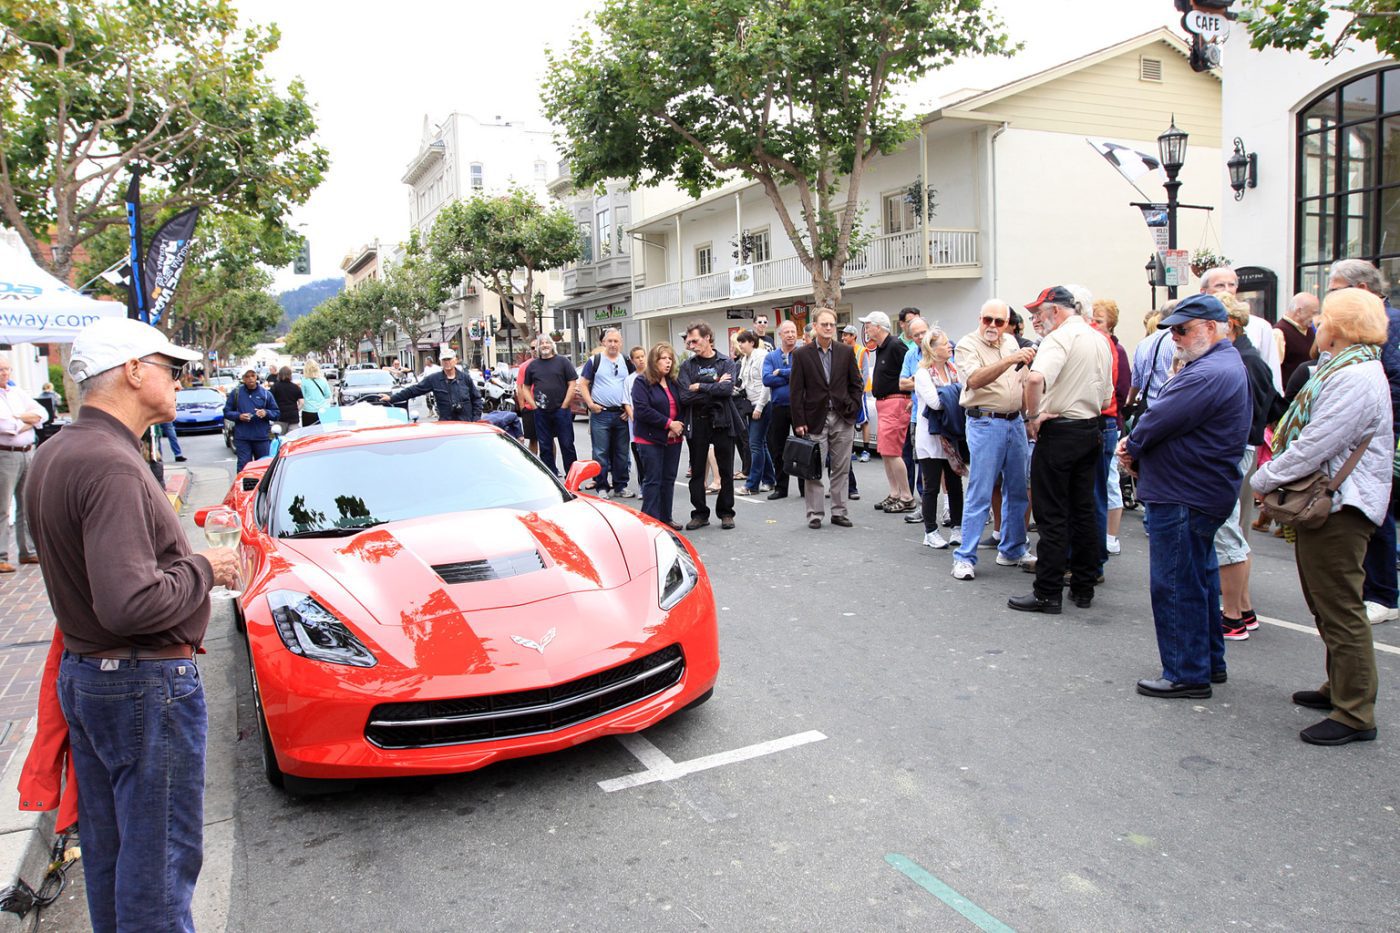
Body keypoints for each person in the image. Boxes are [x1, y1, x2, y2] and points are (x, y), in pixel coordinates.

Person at [24, 316, 239, 931]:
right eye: (170, 368)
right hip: (141, 684)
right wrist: (203, 566)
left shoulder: (58, 451)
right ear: (133, 372)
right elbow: (131, 603)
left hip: (94, 676)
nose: (180, 379)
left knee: (116, 856)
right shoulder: (113, 466)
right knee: (159, 871)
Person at [1252, 287, 1392, 745]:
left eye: (1326, 318)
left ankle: (1355, 713)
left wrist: (1264, 477)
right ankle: (1341, 689)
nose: (1318, 324)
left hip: (1341, 504)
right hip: (1336, 499)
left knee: (1339, 607)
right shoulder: (1347, 367)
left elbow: (1318, 442)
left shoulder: (1354, 375)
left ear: (1341, 327)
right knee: (1326, 603)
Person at [1117, 294, 1252, 699]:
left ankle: (1185, 672)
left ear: (1211, 328)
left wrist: (1131, 446)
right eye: (1173, 330)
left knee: (1176, 582)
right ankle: (1206, 662)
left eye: (1183, 329)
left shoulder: (1207, 372)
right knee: (1199, 577)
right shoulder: (1218, 365)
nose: (1175, 338)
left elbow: (1157, 418)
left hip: (1184, 490)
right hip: (1196, 488)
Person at [1010, 286, 1111, 613]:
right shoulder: (1098, 338)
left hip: (1062, 430)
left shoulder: (1060, 337)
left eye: (1040, 313)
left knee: (1052, 515)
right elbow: (1108, 397)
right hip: (1090, 428)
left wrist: (1033, 416)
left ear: (1057, 311)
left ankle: (1047, 592)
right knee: (1082, 511)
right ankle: (1083, 587)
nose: (1037, 319)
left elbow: (1036, 378)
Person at [1326, 259, 1400, 626]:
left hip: (1375, 438)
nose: (1331, 299)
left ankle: (1383, 593)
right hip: (1362, 434)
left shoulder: (1390, 324)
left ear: (1363, 290)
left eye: (1337, 290)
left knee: (1375, 510)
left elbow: (1390, 384)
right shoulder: (1360, 327)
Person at [1211, 296, 1285, 641]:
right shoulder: (1245, 357)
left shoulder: (1243, 360)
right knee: (1233, 529)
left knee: (1227, 531)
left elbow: (1262, 408)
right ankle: (1243, 609)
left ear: (1231, 325)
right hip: (1244, 446)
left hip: (1236, 448)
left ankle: (1233, 615)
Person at [950, 301, 1035, 581]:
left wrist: (1030, 417)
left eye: (1000, 322)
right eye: (988, 319)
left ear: (1007, 323)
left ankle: (1012, 548)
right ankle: (964, 557)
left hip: (1014, 422)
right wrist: (1010, 360)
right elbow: (974, 380)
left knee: (1018, 489)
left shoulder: (1010, 341)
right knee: (981, 491)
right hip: (985, 421)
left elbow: (1022, 383)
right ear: (980, 318)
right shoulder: (967, 344)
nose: (993, 326)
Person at [789, 307, 863, 529]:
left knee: (841, 467)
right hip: (814, 418)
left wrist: (853, 405)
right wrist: (799, 421)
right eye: (825, 324)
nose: (829, 328)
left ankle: (840, 512)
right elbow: (796, 391)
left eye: (832, 324)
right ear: (815, 327)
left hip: (842, 416)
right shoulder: (802, 354)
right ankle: (815, 513)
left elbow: (856, 383)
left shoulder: (845, 352)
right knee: (814, 467)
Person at [678, 322, 740, 530]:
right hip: (697, 422)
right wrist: (715, 385)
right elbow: (685, 396)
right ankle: (700, 513)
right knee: (697, 471)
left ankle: (726, 512)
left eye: (695, 340)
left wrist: (701, 386)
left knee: (725, 468)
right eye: (689, 342)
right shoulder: (688, 366)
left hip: (723, 420)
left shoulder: (725, 362)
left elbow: (727, 389)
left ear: (708, 338)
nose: (691, 345)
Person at [914, 326, 964, 548]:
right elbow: (934, 402)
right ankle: (930, 531)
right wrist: (955, 392)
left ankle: (957, 527)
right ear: (933, 350)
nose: (949, 346)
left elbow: (965, 394)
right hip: (930, 436)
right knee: (932, 485)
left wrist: (951, 393)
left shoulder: (954, 370)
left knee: (954, 484)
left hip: (950, 434)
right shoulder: (923, 373)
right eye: (944, 344)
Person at [864, 310, 916, 513]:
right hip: (884, 403)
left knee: (893, 452)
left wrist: (911, 397)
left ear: (879, 326)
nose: (866, 329)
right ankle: (895, 493)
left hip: (895, 402)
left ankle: (906, 496)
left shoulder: (895, 345)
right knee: (886, 452)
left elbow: (912, 370)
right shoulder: (882, 347)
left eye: (868, 325)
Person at [0, 354, 48, 573]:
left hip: (28, 452)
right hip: (5, 455)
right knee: (3, 508)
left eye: (7, 369)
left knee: (27, 503)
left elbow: (43, 414)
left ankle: (27, 551)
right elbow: (6, 426)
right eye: (1, 370)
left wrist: (20, 418)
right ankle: (1, 556)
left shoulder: (16, 392)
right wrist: (26, 420)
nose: (5, 373)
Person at [1202, 266, 1283, 392]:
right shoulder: (1197, 325)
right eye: (1220, 285)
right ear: (1203, 291)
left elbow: (1272, 370)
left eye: (1231, 285)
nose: (1227, 290)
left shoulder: (1260, 326)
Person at [631, 343, 686, 528]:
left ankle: (666, 518)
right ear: (654, 360)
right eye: (664, 358)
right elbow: (642, 410)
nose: (668, 362)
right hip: (649, 438)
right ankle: (650, 521)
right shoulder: (642, 381)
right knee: (653, 480)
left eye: (670, 358)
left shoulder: (674, 382)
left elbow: (681, 406)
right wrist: (668, 424)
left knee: (668, 479)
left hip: (674, 438)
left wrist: (677, 426)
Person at [1093, 299, 1132, 555]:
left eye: (1099, 320)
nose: (1094, 324)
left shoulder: (1116, 350)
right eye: (1092, 319)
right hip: (1096, 421)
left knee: (1108, 479)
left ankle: (1111, 535)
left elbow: (1122, 389)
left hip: (1108, 421)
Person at [578, 328, 635, 499]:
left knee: (622, 453)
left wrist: (628, 408)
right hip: (600, 413)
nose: (612, 344)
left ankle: (620, 486)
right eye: (609, 341)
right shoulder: (594, 361)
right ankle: (601, 487)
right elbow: (583, 384)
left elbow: (635, 385)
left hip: (621, 415)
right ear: (603, 342)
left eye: (616, 341)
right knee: (600, 452)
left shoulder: (626, 361)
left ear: (621, 342)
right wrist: (590, 404)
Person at [521, 338, 578, 476]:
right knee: (545, 446)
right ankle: (550, 476)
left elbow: (572, 383)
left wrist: (565, 404)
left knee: (567, 444)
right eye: (542, 343)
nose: (545, 345)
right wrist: (534, 406)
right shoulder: (533, 366)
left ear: (552, 345)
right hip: (541, 412)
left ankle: (572, 476)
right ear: (538, 348)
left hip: (561, 411)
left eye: (547, 342)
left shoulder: (563, 362)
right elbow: (525, 387)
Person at [384, 348, 482, 425]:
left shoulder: (465, 378)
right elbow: (414, 390)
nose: (447, 362)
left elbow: (477, 399)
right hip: (446, 425)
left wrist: (476, 419)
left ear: (455, 360)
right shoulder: (434, 379)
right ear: (440, 362)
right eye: (444, 360)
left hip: (466, 424)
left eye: (449, 359)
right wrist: (392, 398)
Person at [897, 316, 930, 524]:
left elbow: (946, 380)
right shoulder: (910, 354)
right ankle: (925, 507)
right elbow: (902, 384)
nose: (919, 337)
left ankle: (949, 509)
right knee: (923, 462)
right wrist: (923, 380)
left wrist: (915, 381)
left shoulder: (942, 349)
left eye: (922, 333)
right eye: (915, 334)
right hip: (918, 415)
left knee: (948, 466)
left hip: (940, 415)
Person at [762, 321, 800, 500]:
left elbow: (802, 375)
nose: (791, 335)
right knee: (778, 449)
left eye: (793, 331)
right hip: (778, 408)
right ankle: (781, 487)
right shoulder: (771, 357)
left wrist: (782, 373)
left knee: (803, 447)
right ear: (780, 335)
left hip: (800, 407)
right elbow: (767, 379)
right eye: (787, 332)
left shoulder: (802, 354)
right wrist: (790, 376)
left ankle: (805, 487)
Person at [736, 330, 775, 496]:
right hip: (752, 405)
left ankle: (752, 484)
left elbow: (766, 384)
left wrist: (759, 407)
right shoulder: (745, 359)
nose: (740, 346)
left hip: (763, 404)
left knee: (755, 444)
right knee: (761, 443)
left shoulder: (761, 357)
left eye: (742, 342)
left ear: (751, 342)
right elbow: (744, 383)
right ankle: (769, 480)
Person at [224, 368, 279, 471]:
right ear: (243, 379)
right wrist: (238, 416)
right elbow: (226, 412)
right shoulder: (236, 393)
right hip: (243, 438)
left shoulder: (266, 394)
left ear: (256, 377)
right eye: (247, 376)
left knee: (263, 467)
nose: (250, 379)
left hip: (261, 437)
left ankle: (263, 487)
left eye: (252, 376)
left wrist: (266, 413)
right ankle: (244, 487)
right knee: (244, 467)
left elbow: (276, 413)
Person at [841, 324, 873, 460]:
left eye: (846, 335)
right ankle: (852, 451)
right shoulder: (842, 351)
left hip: (860, 392)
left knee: (864, 420)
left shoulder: (861, 351)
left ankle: (866, 451)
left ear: (853, 336)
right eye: (843, 335)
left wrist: (860, 392)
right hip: (847, 391)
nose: (843, 337)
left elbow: (865, 373)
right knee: (850, 421)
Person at [1276, 292, 1320, 388]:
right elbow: (1274, 370)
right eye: (1313, 313)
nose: (1316, 318)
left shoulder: (1310, 331)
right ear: (1299, 311)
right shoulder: (1279, 332)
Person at [622, 345, 647, 495]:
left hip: (651, 425)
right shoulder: (629, 380)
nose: (641, 360)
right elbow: (627, 402)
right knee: (639, 458)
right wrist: (634, 419)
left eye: (642, 356)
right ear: (632, 360)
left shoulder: (653, 376)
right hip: (636, 427)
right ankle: (643, 487)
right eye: (637, 357)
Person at [516, 343, 539, 455]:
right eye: (532, 348)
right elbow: (520, 388)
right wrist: (523, 408)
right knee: (533, 440)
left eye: (536, 347)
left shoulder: (550, 363)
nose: (534, 350)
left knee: (549, 440)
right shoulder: (524, 366)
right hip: (530, 409)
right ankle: (534, 467)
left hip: (547, 408)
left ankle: (552, 469)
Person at [269, 366, 302, 436]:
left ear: (279, 375)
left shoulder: (275, 387)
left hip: (280, 417)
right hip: (293, 417)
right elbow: (302, 402)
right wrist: (296, 409)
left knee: (279, 440)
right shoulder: (295, 387)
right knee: (293, 440)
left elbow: (270, 401)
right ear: (290, 375)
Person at [299, 360, 332, 426]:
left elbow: (303, 396)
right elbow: (328, 395)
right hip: (324, 410)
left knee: (309, 434)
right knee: (326, 434)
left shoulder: (304, 381)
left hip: (309, 411)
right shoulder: (323, 380)